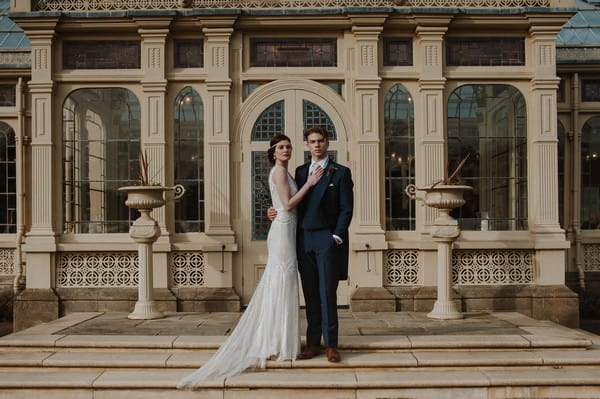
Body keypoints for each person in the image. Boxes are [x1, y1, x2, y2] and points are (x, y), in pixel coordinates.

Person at [177, 134, 323, 389]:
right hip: (282, 231)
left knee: (284, 282)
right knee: (279, 280)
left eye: (288, 146)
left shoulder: (285, 172)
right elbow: (288, 204)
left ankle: (278, 340)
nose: (286, 150)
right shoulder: (278, 172)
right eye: (281, 147)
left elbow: (282, 204)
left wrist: (278, 207)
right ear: (273, 152)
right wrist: (309, 184)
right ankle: (272, 342)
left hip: (287, 228)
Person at [271, 126, 354, 363]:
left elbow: (346, 208)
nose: (316, 145)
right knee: (310, 293)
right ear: (307, 145)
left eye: (320, 141)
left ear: (327, 143)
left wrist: (336, 236)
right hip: (302, 238)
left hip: (326, 239)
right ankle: (313, 342)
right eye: (312, 141)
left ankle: (331, 344)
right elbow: (290, 201)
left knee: (327, 292)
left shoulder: (340, 173)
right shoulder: (299, 171)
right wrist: (273, 211)